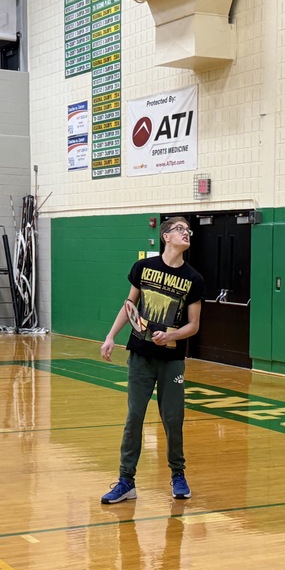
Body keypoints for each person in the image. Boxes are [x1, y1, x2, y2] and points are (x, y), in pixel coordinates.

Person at [99, 216, 205, 504]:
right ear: (166, 237)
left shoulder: (194, 279)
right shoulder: (144, 268)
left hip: (171, 360)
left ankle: (178, 475)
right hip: (140, 356)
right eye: (180, 230)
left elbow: (193, 326)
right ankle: (126, 481)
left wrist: (171, 337)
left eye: (188, 230)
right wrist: (111, 336)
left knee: (173, 419)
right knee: (134, 417)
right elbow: (130, 305)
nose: (186, 234)